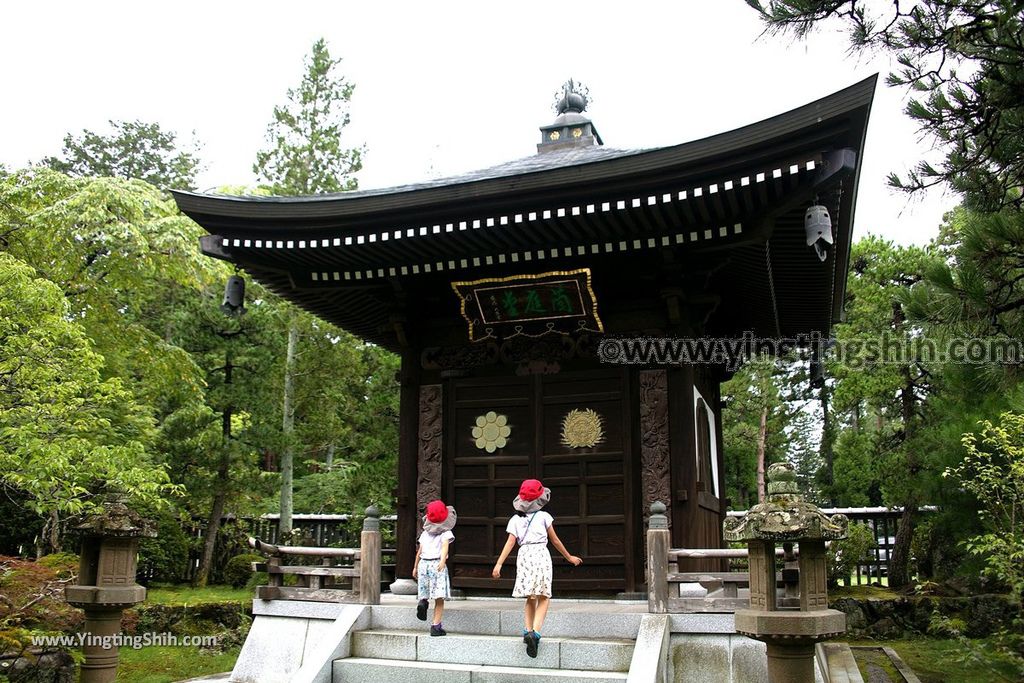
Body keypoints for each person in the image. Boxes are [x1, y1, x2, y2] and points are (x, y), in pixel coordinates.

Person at [491, 479, 582, 658]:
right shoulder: (544, 517)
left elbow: (510, 543)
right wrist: (569, 557)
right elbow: (555, 540)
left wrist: (499, 563)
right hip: (541, 553)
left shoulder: (515, 519)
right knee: (544, 596)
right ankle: (536, 633)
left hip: (524, 555)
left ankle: (527, 631)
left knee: (530, 596)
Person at [412, 499, 456, 636]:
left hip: (423, 563)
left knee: (425, 590)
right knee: (439, 597)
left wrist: (415, 567)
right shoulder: (446, 533)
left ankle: (423, 601)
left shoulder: (425, 534)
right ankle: (436, 626)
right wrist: (442, 562)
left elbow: (420, 551)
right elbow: (444, 547)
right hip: (436, 563)